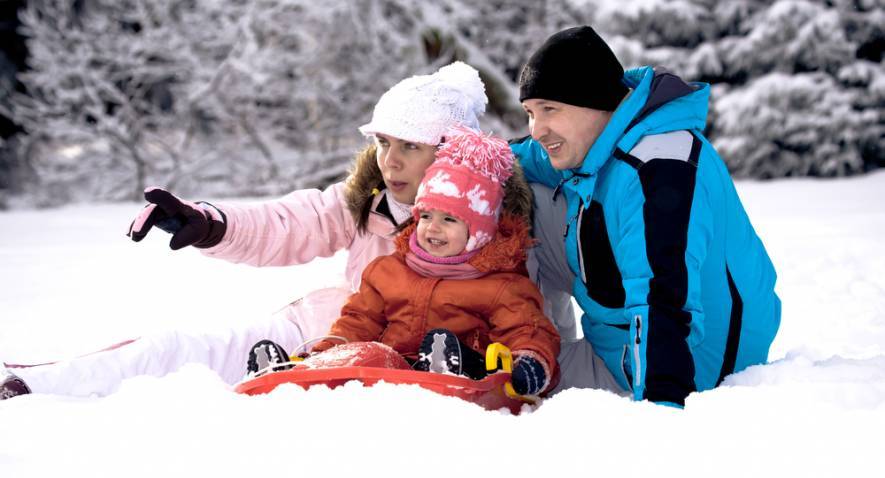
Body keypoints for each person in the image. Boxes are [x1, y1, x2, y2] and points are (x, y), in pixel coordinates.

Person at [1, 62, 533, 399]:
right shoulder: (362, 203)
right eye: (384, 143)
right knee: (178, 350)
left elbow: (528, 315)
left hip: (433, 364)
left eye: (409, 147)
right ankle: (32, 385)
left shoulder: (497, 230)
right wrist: (208, 224)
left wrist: (525, 372)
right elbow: (284, 223)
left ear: (449, 150)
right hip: (325, 336)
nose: (390, 161)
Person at [510, 26, 781, 407]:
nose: (537, 130)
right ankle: (525, 337)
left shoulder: (658, 167)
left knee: (505, 382)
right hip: (618, 335)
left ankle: (531, 360)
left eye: (550, 110)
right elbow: (523, 158)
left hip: (692, 364)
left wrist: (662, 411)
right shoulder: (602, 136)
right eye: (530, 113)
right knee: (506, 190)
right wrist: (449, 158)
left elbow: (665, 300)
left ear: (594, 102)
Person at [261, 126, 560, 396]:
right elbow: (357, 324)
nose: (433, 227)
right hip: (394, 376)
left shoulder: (502, 286)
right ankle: (300, 373)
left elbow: (527, 330)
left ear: (478, 232)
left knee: (449, 353)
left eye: (449, 219)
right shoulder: (389, 272)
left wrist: (529, 363)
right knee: (370, 354)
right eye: (426, 216)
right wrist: (325, 352)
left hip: (467, 383)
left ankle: (446, 363)